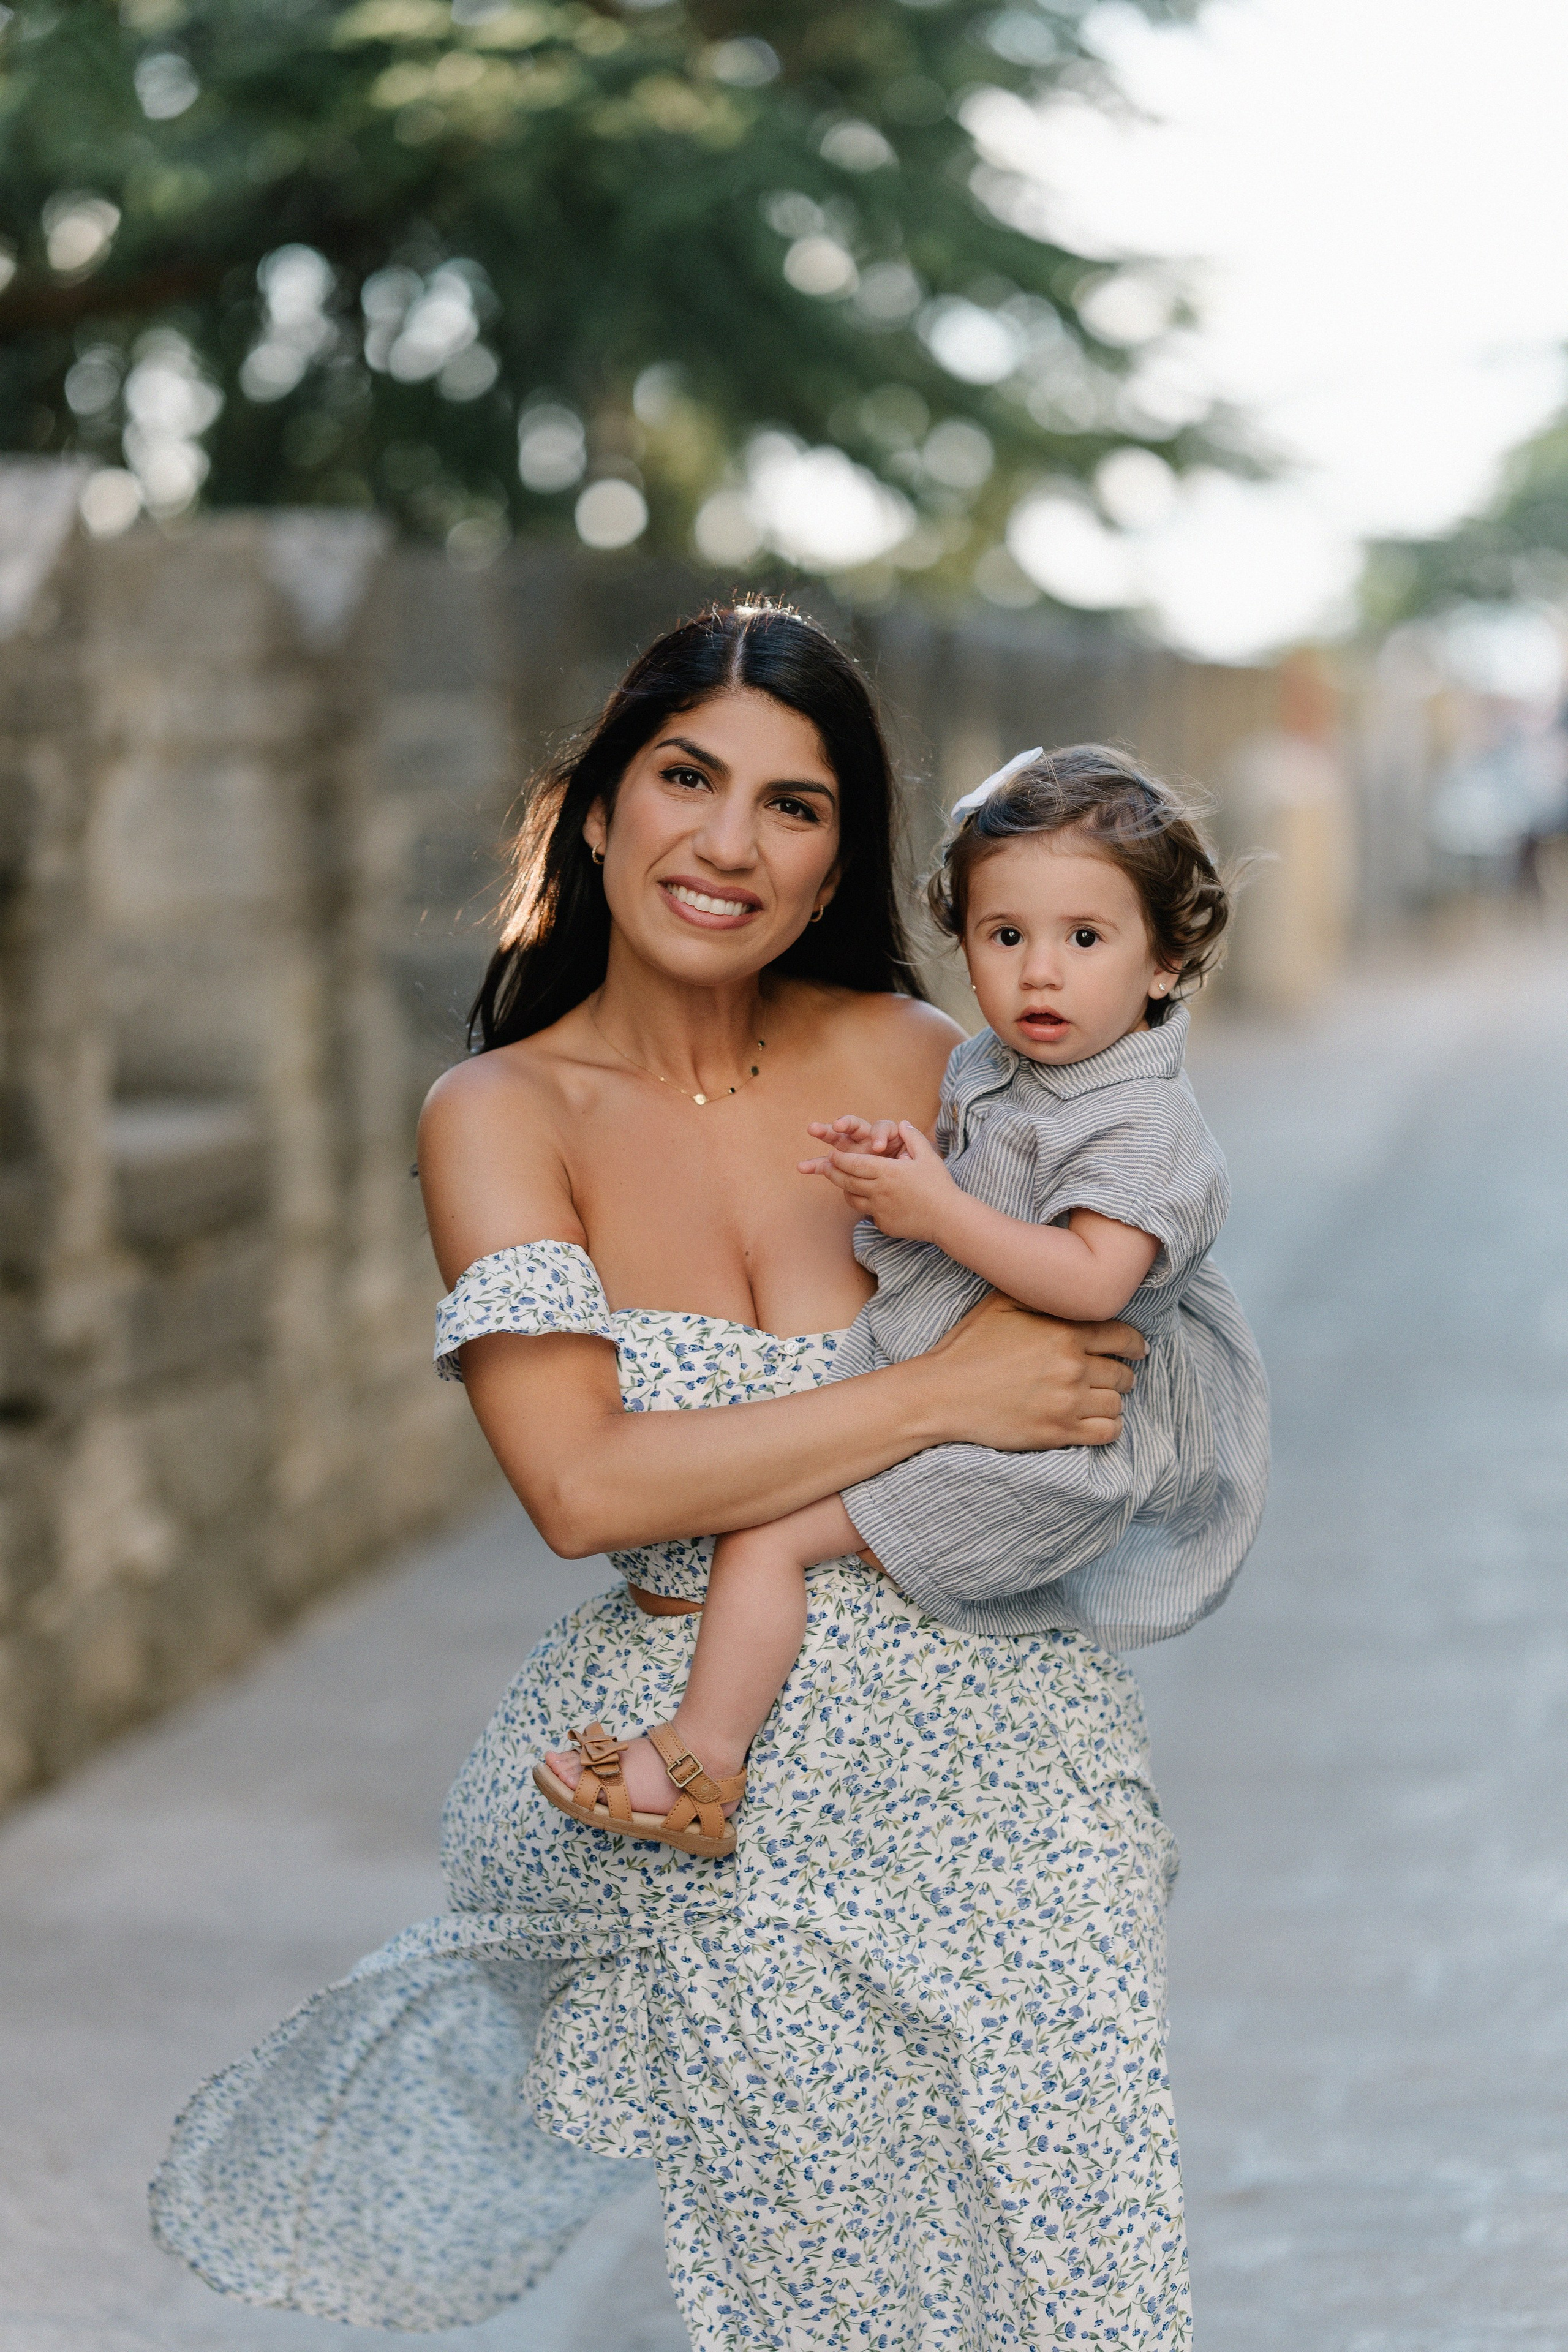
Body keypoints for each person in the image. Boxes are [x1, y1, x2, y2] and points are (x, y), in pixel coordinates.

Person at [151, 603, 1265, 2350]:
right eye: (687, 778)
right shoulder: (501, 1114)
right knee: (828, 2303)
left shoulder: (938, 1072)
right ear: (597, 811)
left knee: (1088, 2280)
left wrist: (1011, 1397)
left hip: (1020, 1769)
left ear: (842, 864)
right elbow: (587, 1489)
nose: (730, 843)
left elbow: (1109, 1356)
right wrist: (938, 1393)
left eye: (796, 807)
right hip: (724, 1799)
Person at [534, 744, 1259, 1862]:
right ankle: (707, 1758)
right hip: (977, 1422)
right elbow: (984, 1190)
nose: (1040, 975)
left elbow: (1091, 1280)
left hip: (1042, 1461)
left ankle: (698, 1766)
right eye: (1004, 937)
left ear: (1164, 963)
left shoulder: (1143, 1123)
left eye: (1085, 939)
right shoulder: (993, 1069)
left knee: (767, 1541)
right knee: (775, 1530)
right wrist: (910, 1159)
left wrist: (939, 1213)